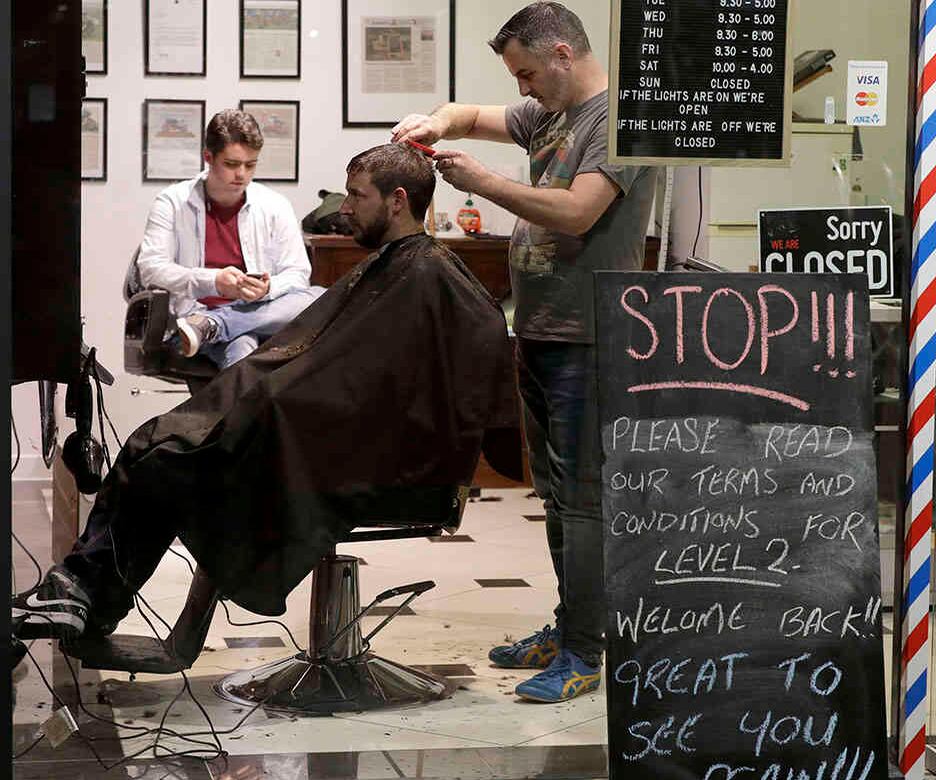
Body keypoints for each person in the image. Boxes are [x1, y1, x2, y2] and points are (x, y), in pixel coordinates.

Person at [13, 144, 511, 644]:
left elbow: (403, 376)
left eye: (356, 196)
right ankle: (85, 597)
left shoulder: (429, 275)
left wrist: (263, 408)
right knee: (153, 446)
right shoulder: (400, 267)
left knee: (164, 463)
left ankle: (86, 595)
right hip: (341, 442)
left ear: (397, 200)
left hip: (372, 465)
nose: (343, 208)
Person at [391, 1, 657, 703]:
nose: (522, 90)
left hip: (589, 337)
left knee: (584, 502)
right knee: (556, 498)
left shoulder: (622, 122)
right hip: (540, 330)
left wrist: (481, 182)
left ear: (563, 54)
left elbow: (577, 211)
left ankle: (586, 651)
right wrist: (433, 124)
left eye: (529, 74)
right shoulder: (549, 111)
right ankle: (570, 626)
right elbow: (466, 114)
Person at [131, 108, 323, 368]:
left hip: (257, 312)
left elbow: (298, 274)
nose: (241, 174)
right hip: (194, 314)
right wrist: (214, 282)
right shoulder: (171, 202)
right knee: (243, 345)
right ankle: (212, 324)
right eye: (232, 164)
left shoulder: (275, 205)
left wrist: (268, 289)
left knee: (318, 297)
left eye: (250, 165)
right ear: (208, 157)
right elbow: (151, 270)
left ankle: (214, 325)